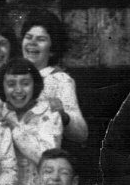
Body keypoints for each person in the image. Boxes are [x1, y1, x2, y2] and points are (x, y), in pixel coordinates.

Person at [0, 58, 63, 185]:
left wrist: (16, 130)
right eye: (11, 84)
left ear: (35, 85)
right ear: (2, 88)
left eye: (25, 83)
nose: (18, 90)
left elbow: (48, 159)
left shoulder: (49, 113)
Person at [19, 9, 88, 144]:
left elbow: (81, 133)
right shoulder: (11, 75)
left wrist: (63, 116)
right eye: (28, 37)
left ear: (52, 50)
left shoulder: (60, 80)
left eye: (41, 39)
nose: (32, 43)